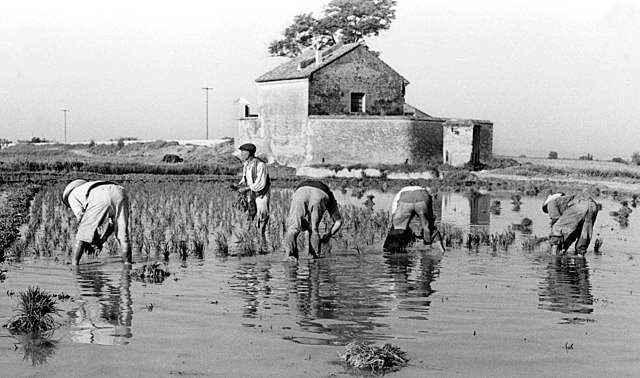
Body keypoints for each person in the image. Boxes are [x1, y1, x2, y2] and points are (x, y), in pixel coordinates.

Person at [62, 179, 131, 265]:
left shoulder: (71, 196)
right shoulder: (87, 187)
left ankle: (74, 265)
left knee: (82, 234)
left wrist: (92, 240)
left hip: (98, 194)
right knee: (122, 235)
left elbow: (82, 219)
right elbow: (112, 224)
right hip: (119, 191)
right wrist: (101, 241)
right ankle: (127, 265)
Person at [283, 180, 343, 261]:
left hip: (301, 191)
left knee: (292, 229)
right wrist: (329, 235)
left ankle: (290, 256)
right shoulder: (331, 198)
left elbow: (300, 222)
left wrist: (304, 226)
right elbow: (338, 222)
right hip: (320, 193)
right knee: (314, 230)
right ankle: (314, 259)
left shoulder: (301, 189)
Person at [384, 185, 445, 252]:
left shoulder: (401, 192)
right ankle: (441, 250)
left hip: (405, 199)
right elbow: (431, 216)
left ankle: (394, 251)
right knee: (428, 226)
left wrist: (395, 222)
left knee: (398, 227)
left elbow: (394, 212)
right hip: (423, 197)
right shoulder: (424, 191)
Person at [236, 143, 271, 235]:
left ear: (248, 153)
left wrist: (246, 189)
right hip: (250, 191)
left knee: (262, 214)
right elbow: (245, 178)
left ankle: (261, 233)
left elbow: (260, 183)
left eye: (243, 152)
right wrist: (239, 185)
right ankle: (248, 233)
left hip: (261, 193)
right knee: (250, 211)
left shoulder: (260, 165)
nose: (241, 154)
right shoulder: (246, 164)